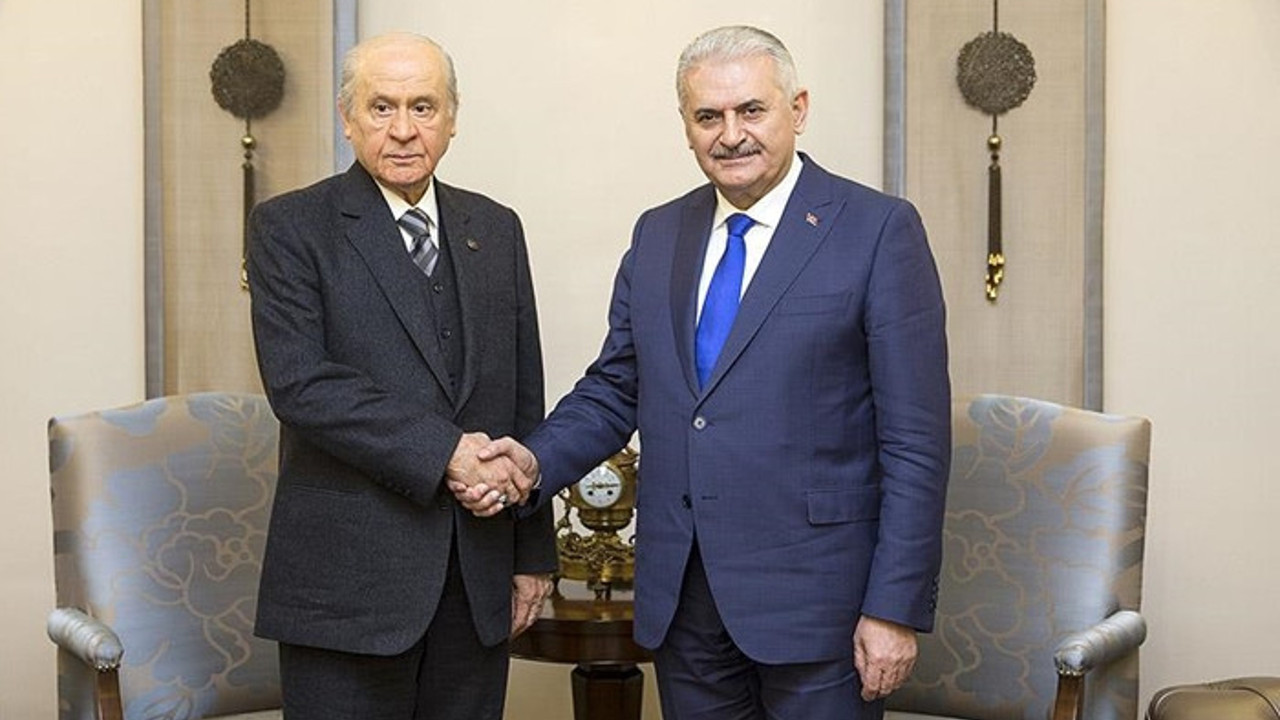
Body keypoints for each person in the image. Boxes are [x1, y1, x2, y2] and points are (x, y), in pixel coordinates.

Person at [465, 25, 950, 720]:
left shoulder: (878, 231)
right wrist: (531, 462)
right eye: (708, 116)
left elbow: (916, 442)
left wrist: (893, 608)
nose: (731, 135)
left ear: (798, 109)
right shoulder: (659, 233)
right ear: (686, 124)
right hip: (686, 603)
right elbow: (615, 388)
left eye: (751, 110)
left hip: (823, 609)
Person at [246, 32, 556, 720]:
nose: (404, 129)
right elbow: (301, 385)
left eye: (423, 106)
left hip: (476, 581)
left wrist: (531, 550)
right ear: (346, 117)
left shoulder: (496, 228)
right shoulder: (291, 228)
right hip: (347, 590)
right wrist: (446, 453)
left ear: (452, 117)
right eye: (381, 107)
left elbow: (523, 398)